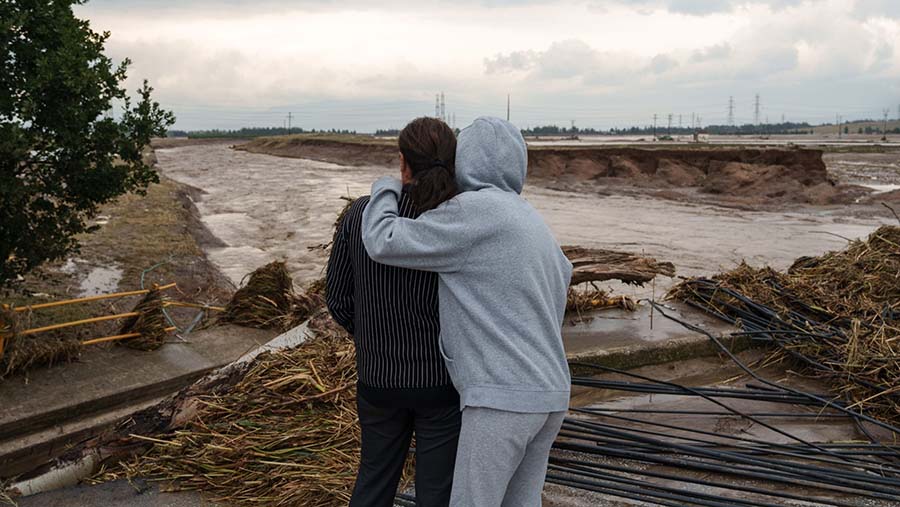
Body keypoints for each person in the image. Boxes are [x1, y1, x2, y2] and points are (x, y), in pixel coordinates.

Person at [361, 116, 572, 506]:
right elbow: (563, 279)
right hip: (551, 393)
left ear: (466, 161)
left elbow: (383, 240)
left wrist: (385, 189)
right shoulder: (529, 218)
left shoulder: (471, 213)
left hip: (501, 398)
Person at [325, 117, 462, 507]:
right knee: (437, 493)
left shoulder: (358, 216)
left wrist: (373, 336)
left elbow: (337, 299)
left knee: (373, 483)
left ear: (402, 161)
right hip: (441, 382)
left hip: (378, 380)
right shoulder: (456, 218)